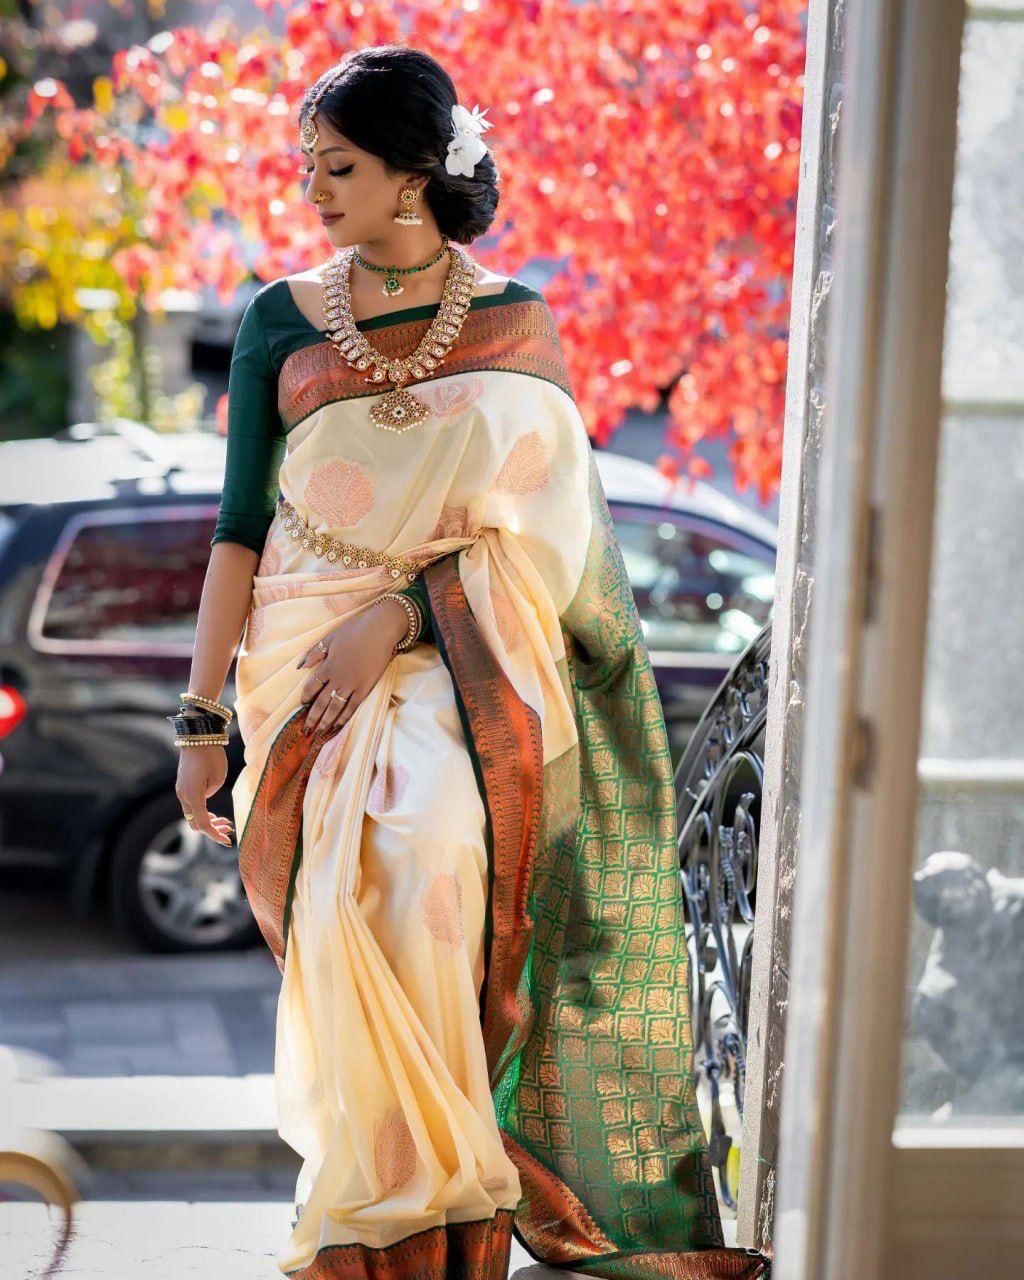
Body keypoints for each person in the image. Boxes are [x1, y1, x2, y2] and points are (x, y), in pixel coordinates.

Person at [174, 43, 769, 1280]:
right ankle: (368, 1213)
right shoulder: (280, 317)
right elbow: (238, 532)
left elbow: (543, 543)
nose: (312, 191)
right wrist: (199, 721)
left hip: (460, 659)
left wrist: (400, 611)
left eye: (336, 167)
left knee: (430, 865)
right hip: (297, 671)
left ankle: (454, 1209)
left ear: (412, 176)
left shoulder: (511, 324)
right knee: (342, 926)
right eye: (306, 167)